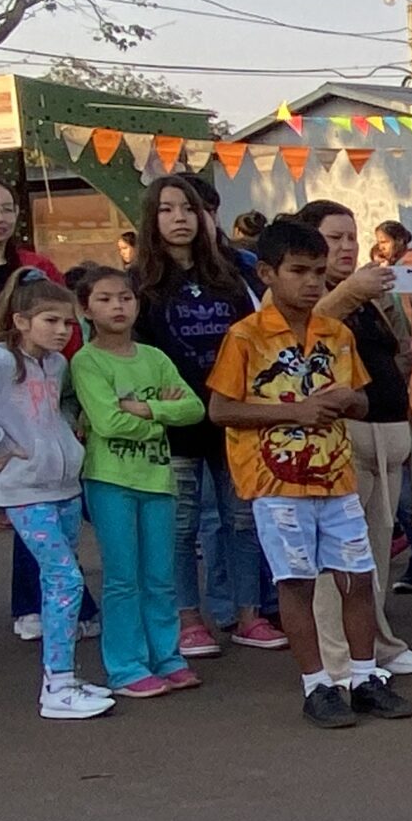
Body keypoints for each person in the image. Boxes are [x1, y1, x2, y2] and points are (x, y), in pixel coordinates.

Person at [206, 218, 412, 731]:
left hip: (335, 475)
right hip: (277, 484)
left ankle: (365, 677)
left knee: (358, 576)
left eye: (319, 273)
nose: (312, 283)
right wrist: (292, 414)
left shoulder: (336, 333)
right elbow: (220, 409)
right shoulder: (246, 337)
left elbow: (364, 399)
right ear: (267, 273)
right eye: (298, 271)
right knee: (297, 583)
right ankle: (317, 684)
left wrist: (350, 399)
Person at [0, 276, 114, 720]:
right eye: (51, 320)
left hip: (62, 483)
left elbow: (58, 408)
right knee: (64, 579)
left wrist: (70, 436)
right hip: (24, 488)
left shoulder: (54, 365)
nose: (62, 330)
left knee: (60, 581)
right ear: (21, 321)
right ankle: (58, 684)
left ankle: (63, 677)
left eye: (68, 322)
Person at [132, 173, 280, 656]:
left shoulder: (230, 276)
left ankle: (248, 615)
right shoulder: (140, 283)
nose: (179, 219)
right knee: (181, 525)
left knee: (241, 520)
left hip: (232, 415)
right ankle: (187, 618)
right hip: (173, 423)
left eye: (188, 209)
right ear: (152, 219)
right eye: (168, 209)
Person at [302, 200, 412, 681]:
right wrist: (351, 291)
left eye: (352, 237)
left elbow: (400, 355)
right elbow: (304, 333)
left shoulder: (374, 294)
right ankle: (338, 658)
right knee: (340, 557)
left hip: (388, 431)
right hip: (344, 435)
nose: (348, 246)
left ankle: (375, 642)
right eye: (335, 238)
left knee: (375, 553)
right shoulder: (306, 297)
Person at [66, 266, 206, 698]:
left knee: (160, 574)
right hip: (110, 479)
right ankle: (125, 666)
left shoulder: (155, 358)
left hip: (157, 478)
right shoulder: (86, 361)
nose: (117, 306)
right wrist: (160, 417)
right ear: (86, 308)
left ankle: (167, 656)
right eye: (105, 299)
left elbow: (194, 408)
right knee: (123, 576)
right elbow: (106, 422)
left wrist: (147, 412)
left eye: (125, 298)